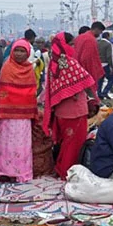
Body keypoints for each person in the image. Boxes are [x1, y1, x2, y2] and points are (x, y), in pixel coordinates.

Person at [44, 32, 98, 180]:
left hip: (62, 111)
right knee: (74, 145)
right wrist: (94, 99)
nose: (74, 47)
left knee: (66, 143)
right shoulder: (67, 62)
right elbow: (87, 80)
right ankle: (67, 173)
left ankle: (61, 168)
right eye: (72, 44)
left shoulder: (54, 63)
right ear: (64, 45)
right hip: (75, 112)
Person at [0, 40, 38, 182]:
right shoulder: (6, 67)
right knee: (5, 144)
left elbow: (31, 93)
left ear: (28, 53)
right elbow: (1, 91)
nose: (19, 54)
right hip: (6, 114)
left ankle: (20, 172)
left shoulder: (30, 70)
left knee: (21, 144)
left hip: (24, 116)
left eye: (22, 51)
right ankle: (4, 172)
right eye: (17, 50)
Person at [74, 22, 106, 87]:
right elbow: (87, 58)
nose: (100, 34)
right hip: (86, 72)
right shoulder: (91, 39)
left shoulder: (78, 37)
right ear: (97, 29)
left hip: (76, 70)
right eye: (100, 32)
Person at [97, 32, 113, 100]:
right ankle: (105, 92)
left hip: (98, 64)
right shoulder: (108, 44)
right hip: (106, 64)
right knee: (111, 79)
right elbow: (109, 56)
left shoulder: (97, 42)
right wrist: (111, 66)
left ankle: (99, 93)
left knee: (100, 80)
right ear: (108, 36)